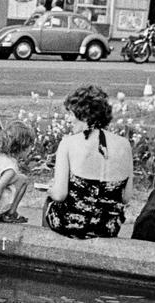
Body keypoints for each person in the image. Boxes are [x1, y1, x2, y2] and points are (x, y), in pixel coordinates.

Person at [43, 85, 133, 240]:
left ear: (84, 115)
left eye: (71, 114)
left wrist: (50, 189)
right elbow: (126, 197)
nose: (69, 119)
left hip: (69, 226)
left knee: (50, 201)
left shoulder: (68, 143)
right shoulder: (125, 144)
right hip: (107, 229)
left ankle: (47, 249)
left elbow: (60, 195)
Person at [0, 119, 34, 231]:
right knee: (22, 180)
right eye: (30, 146)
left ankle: (10, 212)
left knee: (23, 179)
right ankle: (8, 214)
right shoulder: (11, 169)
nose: (31, 149)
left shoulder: (0, 156)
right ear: (22, 146)